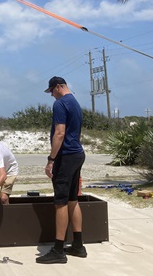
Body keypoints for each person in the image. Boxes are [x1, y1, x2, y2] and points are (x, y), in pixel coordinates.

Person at [36, 76, 87, 264]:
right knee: (73, 199)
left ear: (59, 87)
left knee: (61, 202)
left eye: (51, 91)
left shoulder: (60, 104)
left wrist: (51, 160)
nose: (51, 95)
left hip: (65, 157)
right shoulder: (75, 102)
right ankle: (78, 245)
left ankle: (58, 250)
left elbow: (60, 133)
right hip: (77, 154)